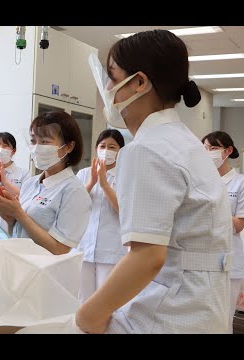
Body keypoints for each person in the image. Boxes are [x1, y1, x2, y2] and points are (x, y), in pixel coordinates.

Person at [73, 29, 233, 333]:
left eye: (112, 76)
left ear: (139, 83)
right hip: (200, 308)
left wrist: (86, 316)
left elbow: (148, 257)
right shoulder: (183, 142)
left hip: (168, 313)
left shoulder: (146, 150)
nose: (107, 87)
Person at [0, 111, 92, 255]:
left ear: (68, 147)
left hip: (45, 272)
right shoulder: (30, 183)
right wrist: (10, 218)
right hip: (19, 263)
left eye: (45, 141)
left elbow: (59, 249)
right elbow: (19, 233)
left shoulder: (74, 192)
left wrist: (19, 213)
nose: (37, 147)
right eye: (33, 141)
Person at [74, 129, 127, 303]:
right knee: (83, 300)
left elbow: (124, 211)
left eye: (112, 147)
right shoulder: (83, 174)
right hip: (84, 246)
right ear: (96, 148)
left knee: (106, 302)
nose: (106, 150)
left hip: (111, 249)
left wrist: (104, 185)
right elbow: (74, 205)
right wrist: (92, 182)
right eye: (103, 146)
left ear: (121, 151)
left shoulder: (126, 176)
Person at [202, 130, 244, 333]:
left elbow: (238, 225)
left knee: (223, 320)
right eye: (205, 149)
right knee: (202, 319)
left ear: (228, 151)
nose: (208, 152)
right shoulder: (200, 180)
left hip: (230, 260)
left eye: (214, 148)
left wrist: (211, 212)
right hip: (201, 259)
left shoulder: (240, 182)